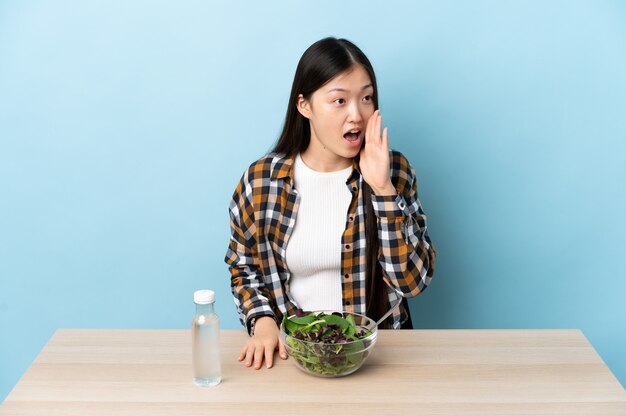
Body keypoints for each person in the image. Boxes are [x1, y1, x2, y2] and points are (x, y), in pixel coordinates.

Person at [224, 37, 436, 370]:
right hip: (293, 355)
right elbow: (244, 267)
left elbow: (411, 282)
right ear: (304, 106)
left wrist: (382, 189)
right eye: (339, 100)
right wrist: (262, 321)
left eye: (367, 98)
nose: (356, 115)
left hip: (378, 358)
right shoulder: (261, 182)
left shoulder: (394, 171)